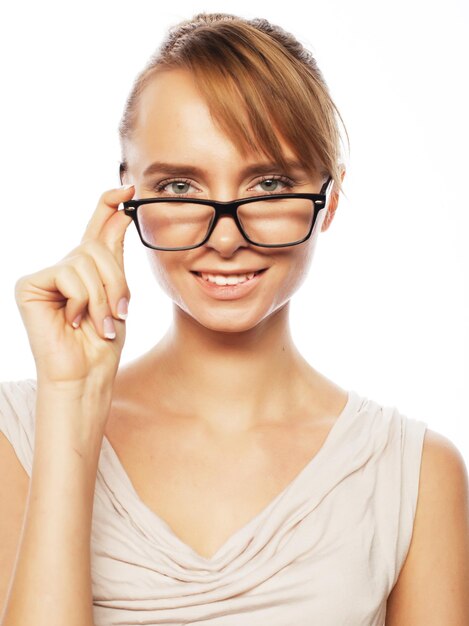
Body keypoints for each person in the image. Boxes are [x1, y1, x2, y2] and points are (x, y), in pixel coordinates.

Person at [0, 11, 468, 626]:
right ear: (125, 196)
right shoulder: (22, 435)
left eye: (270, 185)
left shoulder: (414, 474)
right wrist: (71, 403)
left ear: (328, 200)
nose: (225, 238)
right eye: (179, 188)